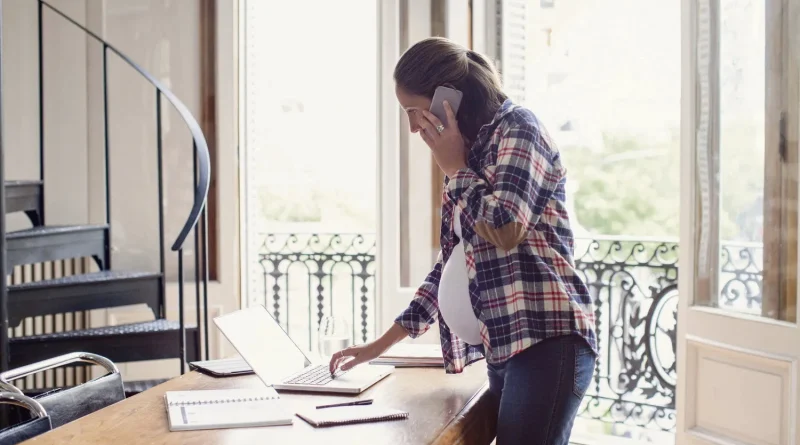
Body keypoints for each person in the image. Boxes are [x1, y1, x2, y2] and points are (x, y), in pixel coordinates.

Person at [329, 37, 597, 445]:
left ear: (446, 99)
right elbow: (451, 266)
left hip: (547, 340)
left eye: (414, 111)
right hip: (505, 345)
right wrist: (377, 346)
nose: (413, 127)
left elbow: (507, 227)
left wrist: (456, 169)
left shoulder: (519, 129)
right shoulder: (469, 154)